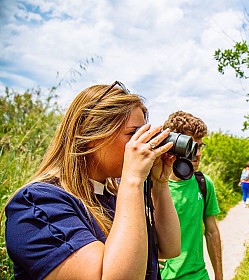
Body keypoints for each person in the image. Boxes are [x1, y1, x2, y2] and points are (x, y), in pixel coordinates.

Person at [4, 81, 181, 279]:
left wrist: (160, 184)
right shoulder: (37, 205)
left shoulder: (113, 196)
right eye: (133, 134)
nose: (143, 143)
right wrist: (133, 180)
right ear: (91, 135)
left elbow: (170, 247)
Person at [160, 111, 223, 280]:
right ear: (173, 144)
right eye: (192, 146)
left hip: (199, 275)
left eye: (200, 146)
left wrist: (219, 275)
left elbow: (212, 232)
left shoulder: (204, 183)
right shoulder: (149, 187)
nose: (199, 154)